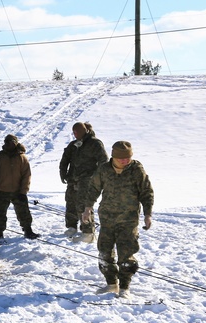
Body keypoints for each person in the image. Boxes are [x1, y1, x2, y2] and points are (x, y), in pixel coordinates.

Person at [82, 141, 154, 299]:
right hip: (107, 218)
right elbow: (94, 188)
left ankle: (124, 287)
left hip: (128, 220)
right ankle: (111, 284)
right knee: (104, 252)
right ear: (114, 157)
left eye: (128, 157)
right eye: (121, 158)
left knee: (126, 254)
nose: (125, 161)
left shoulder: (136, 170)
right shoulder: (104, 170)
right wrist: (88, 208)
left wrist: (148, 214)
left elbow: (146, 192)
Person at [58, 121, 108, 242]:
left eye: (77, 132)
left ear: (84, 131)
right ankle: (71, 227)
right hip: (72, 179)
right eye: (74, 132)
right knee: (70, 203)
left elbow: (103, 161)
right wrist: (63, 172)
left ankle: (88, 232)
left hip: (87, 180)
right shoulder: (73, 144)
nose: (75, 134)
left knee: (83, 205)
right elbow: (65, 159)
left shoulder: (95, 143)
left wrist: (98, 177)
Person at [0, 134, 39, 240]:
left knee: (24, 212)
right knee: (0, 213)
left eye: (9, 142)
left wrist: (23, 191)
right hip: (2, 190)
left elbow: (26, 175)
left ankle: (28, 230)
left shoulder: (22, 157)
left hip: (18, 191)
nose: (7, 144)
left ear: (15, 143)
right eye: (6, 142)